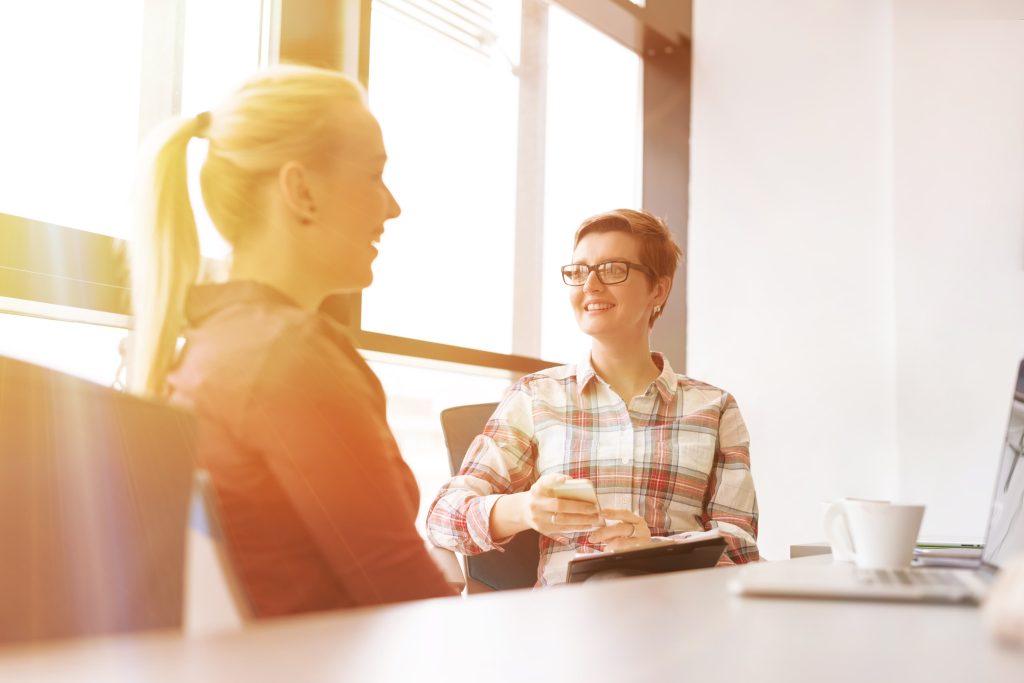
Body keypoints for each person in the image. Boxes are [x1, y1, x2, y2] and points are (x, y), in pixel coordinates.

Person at [129, 65, 456, 617]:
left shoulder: (214, 346)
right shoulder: (286, 355)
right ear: (301, 190)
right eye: (375, 175)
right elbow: (403, 593)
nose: (392, 205)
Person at [426, 209, 759, 586]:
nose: (591, 285)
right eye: (579, 271)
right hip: (566, 622)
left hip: (680, 611)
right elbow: (442, 517)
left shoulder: (714, 407)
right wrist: (525, 509)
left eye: (613, 269)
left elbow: (740, 546)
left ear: (658, 290)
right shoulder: (536, 396)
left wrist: (656, 550)